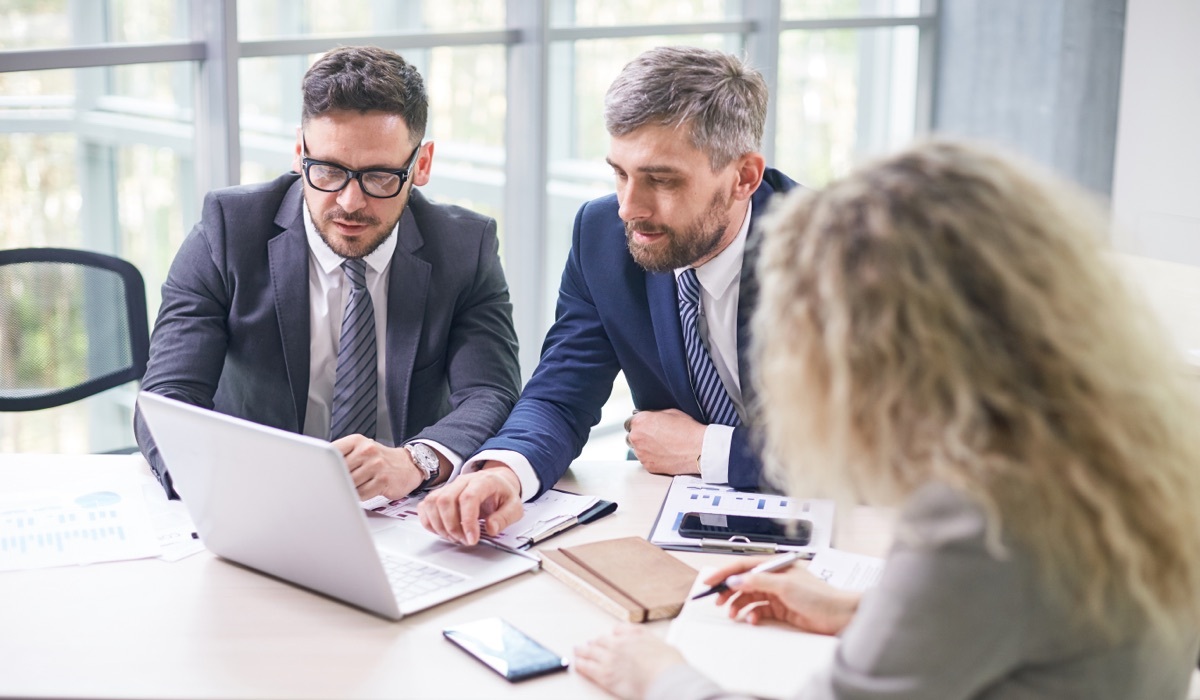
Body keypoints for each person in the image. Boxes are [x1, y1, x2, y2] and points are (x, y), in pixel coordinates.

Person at [574, 139, 1200, 699]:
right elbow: (1036, 620)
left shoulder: (978, 515)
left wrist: (660, 678)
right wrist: (859, 611)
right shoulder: (1131, 441)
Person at [419, 46, 800, 545]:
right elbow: (560, 394)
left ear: (744, 177)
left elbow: (881, 445)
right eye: (620, 173)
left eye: (661, 180)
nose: (628, 207)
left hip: (833, 528)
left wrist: (710, 449)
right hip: (675, 523)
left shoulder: (835, 256)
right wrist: (503, 472)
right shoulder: (601, 235)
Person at [135, 46, 520, 501]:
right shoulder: (227, 231)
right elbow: (166, 399)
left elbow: (491, 394)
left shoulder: (465, 248)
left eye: (379, 176)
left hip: (403, 509)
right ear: (300, 153)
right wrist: (244, 489)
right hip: (257, 501)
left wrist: (415, 461)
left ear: (421, 165)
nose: (350, 203)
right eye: (330, 171)